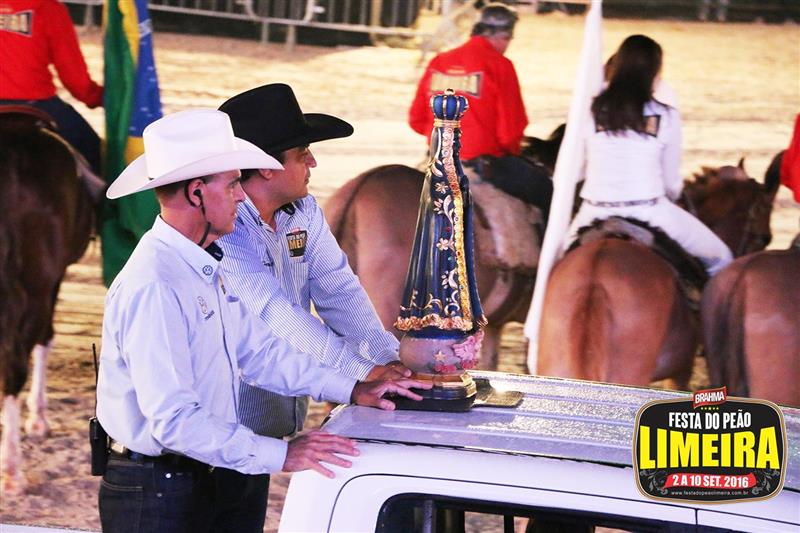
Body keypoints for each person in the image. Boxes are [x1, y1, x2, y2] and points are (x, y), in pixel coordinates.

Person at [95, 108, 427, 533]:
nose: (241, 196)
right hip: (160, 486)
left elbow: (261, 354)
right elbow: (174, 420)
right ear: (197, 193)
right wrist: (283, 455)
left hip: (198, 471)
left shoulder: (199, 264)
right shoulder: (156, 283)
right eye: (233, 184)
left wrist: (354, 387)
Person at [216, 83, 410, 520]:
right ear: (267, 168)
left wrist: (386, 359)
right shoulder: (225, 230)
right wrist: (364, 372)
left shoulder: (302, 212)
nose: (313, 163)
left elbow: (338, 289)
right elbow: (274, 313)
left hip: (262, 425)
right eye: (303, 153)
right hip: (216, 426)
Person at [566, 34, 733, 276]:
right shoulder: (666, 115)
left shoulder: (589, 110)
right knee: (722, 259)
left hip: (594, 212)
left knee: (553, 269)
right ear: (654, 72)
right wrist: (672, 196)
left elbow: (574, 169)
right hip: (650, 212)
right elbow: (670, 182)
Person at [408, 2, 553, 224]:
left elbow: (416, 119)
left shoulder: (439, 61)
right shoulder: (500, 65)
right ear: (504, 36)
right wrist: (510, 152)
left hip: (437, 160)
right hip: (481, 164)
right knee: (546, 188)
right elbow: (510, 130)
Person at [0, 0, 102, 174]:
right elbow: (73, 74)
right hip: (37, 102)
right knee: (92, 148)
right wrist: (98, 97)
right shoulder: (49, 8)